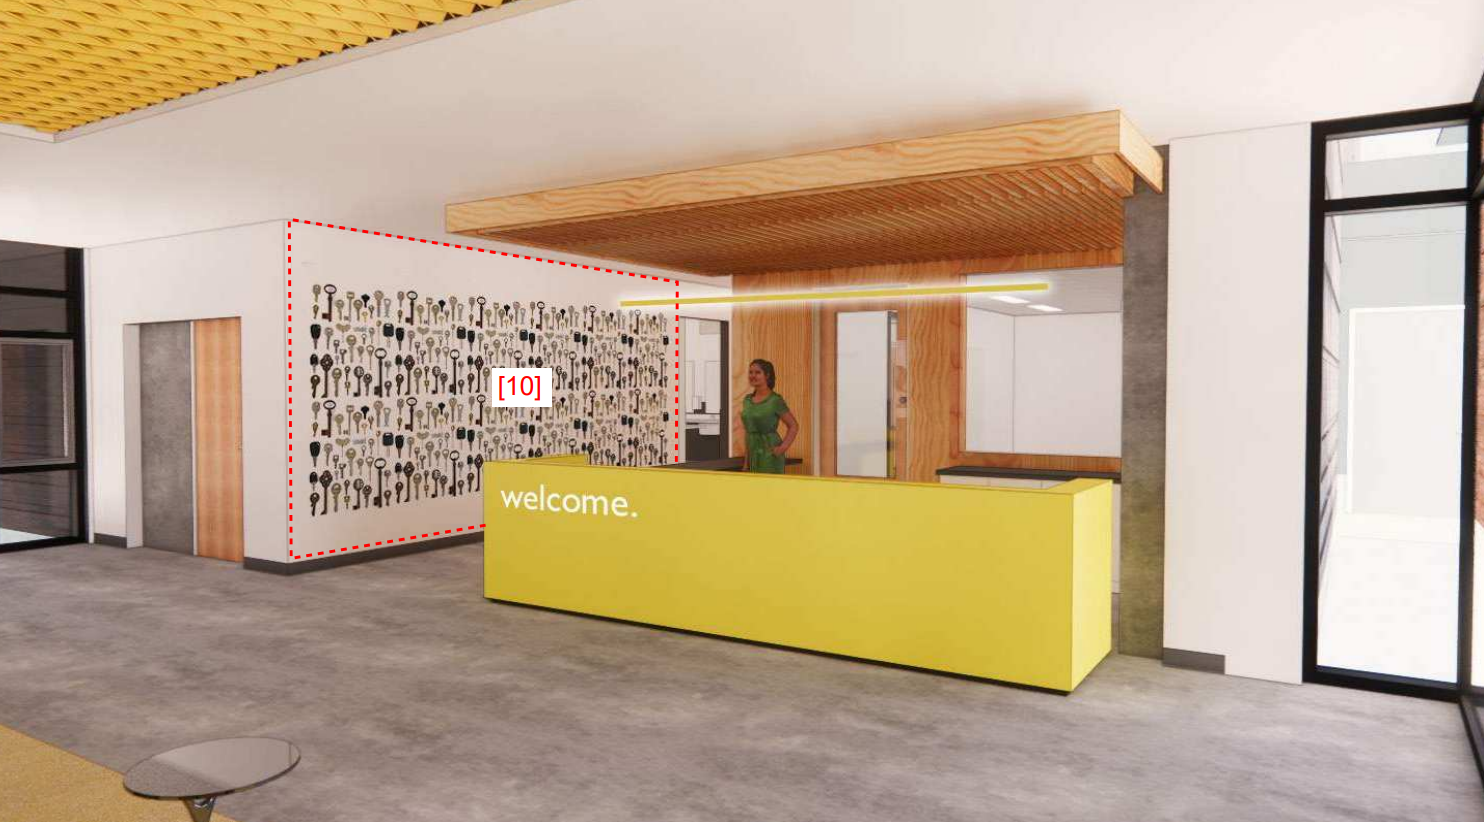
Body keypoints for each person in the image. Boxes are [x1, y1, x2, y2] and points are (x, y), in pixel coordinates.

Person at [740, 359, 799, 474]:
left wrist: (782, 448)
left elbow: (794, 426)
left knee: (768, 489)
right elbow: (749, 432)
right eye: (750, 372)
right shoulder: (747, 400)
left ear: (767, 375)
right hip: (752, 451)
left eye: (757, 372)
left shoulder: (775, 400)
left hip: (769, 452)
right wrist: (746, 462)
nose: (753, 375)